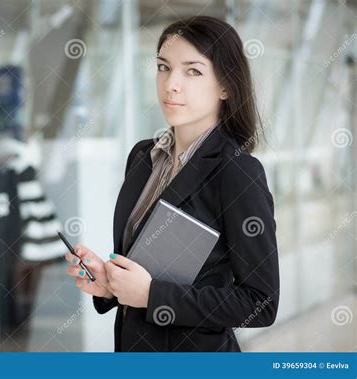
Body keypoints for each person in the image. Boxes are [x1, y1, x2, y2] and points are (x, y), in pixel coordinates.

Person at [65, 15, 279, 352]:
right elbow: (145, 266)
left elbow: (261, 303)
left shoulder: (236, 172)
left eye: (192, 71)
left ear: (225, 85)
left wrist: (152, 296)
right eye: (163, 67)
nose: (171, 84)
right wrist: (111, 283)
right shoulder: (141, 157)